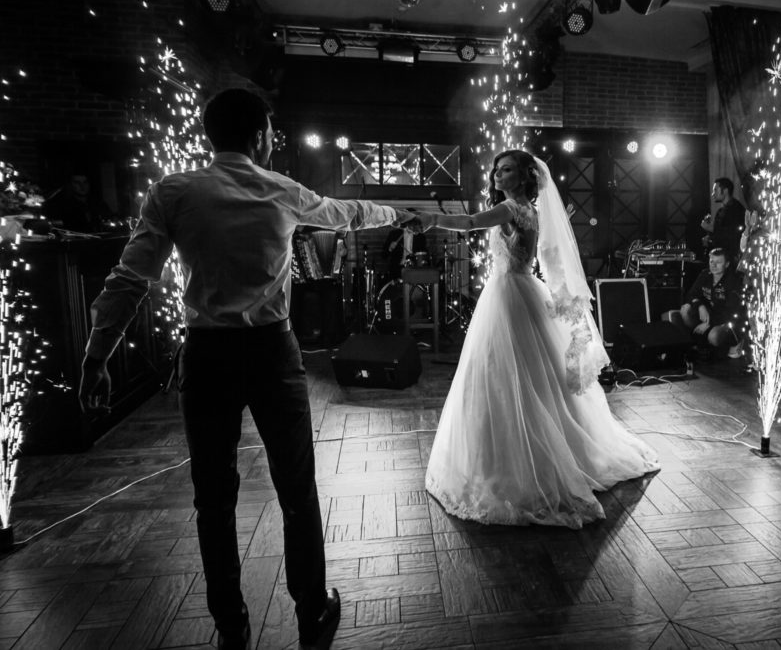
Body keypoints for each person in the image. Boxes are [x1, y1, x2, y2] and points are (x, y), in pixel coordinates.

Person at [78, 88, 416, 650]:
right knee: (297, 488)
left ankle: (230, 627)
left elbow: (129, 279)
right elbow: (349, 214)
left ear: (210, 133)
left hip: (206, 355)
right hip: (270, 353)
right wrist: (397, 211)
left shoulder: (173, 190)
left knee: (213, 497)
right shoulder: (280, 189)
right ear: (260, 134)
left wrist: (97, 356)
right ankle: (311, 611)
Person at [414, 149, 659, 528]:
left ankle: (514, 465)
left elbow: (468, 222)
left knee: (507, 378)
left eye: (506, 169)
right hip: (519, 291)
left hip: (510, 297)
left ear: (525, 176)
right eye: (497, 168)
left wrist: (429, 219)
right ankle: (526, 453)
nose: (498, 173)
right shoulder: (530, 209)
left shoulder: (512, 209)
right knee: (523, 380)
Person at [666, 247, 745, 358]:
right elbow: (691, 295)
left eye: (718, 262)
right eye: (711, 261)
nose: (713, 265)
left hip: (725, 320)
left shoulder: (732, 281)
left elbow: (731, 311)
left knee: (714, 336)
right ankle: (698, 344)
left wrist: (709, 323)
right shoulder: (705, 274)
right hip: (707, 315)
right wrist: (700, 306)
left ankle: (734, 342)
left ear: (726, 264)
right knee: (685, 309)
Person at [44, 171, 112, 233]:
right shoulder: (64, 207)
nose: (82, 186)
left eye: (85, 182)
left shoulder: (98, 203)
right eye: (77, 183)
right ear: (71, 185)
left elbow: (108, 221)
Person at [701, 177, 746, 261]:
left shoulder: (736, 209)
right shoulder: (721, 211)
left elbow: (734, 234)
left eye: (715, 190)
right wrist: (709, 239)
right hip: (722, 257)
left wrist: (711, 228)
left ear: (725, 191)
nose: (713, 194)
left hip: (731, 258)